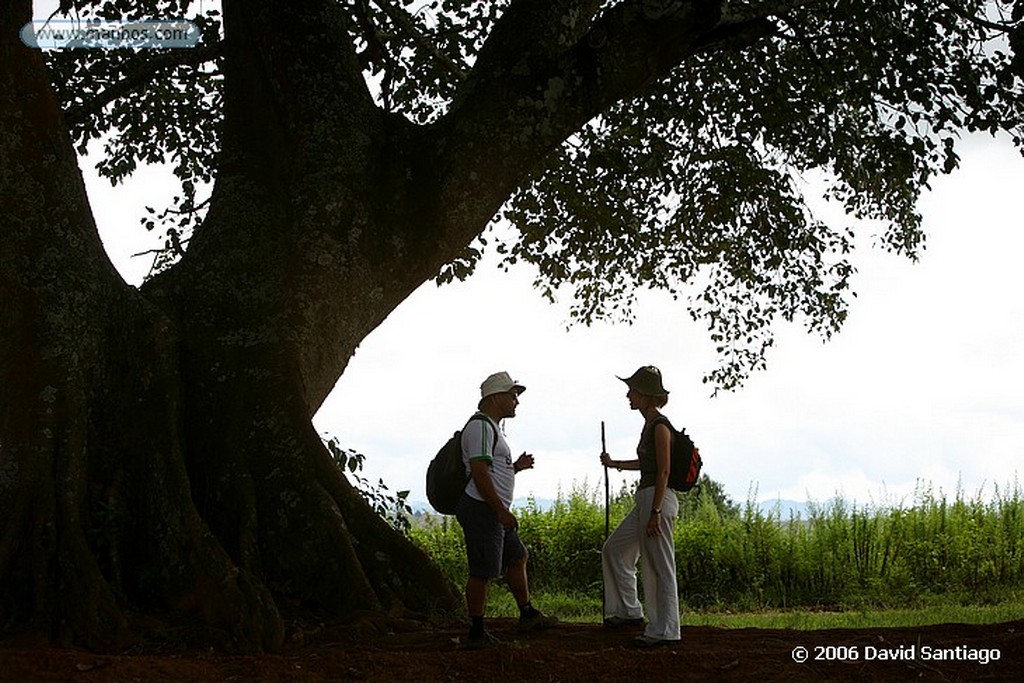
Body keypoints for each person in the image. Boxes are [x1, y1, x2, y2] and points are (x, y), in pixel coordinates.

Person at [454, 371, 557, 649]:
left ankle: (527, 614)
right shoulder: (480, 428)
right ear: (496, 397)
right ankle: (476, 633)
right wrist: (499, 510)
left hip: (491, 509)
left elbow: (491, 470)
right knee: (483, 571)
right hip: (482, 508)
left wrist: (515, 469)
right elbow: (478, 472)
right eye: (512, 396)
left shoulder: (491, 428)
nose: (516, 402)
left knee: (518, 556)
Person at [599, 365, 682, 648]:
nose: (628, 395)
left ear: (647, 395)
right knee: (614, 549)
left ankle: (666, 629)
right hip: (646, 498)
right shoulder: (649, 425)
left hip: (657, 500)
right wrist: (616, 464)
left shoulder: (660, 426)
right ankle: (628, 611)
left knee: (659, 566)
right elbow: (649, 466)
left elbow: (664, 472)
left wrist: (656, 512)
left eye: (632, 390)